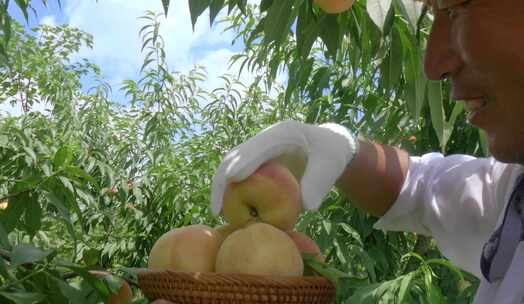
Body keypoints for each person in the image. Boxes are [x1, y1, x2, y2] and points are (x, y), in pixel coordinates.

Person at [209, 0, 524, 303]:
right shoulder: (513, 193)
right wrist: (341, 150)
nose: (432, 65)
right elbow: (421, 187)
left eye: (453, 8)